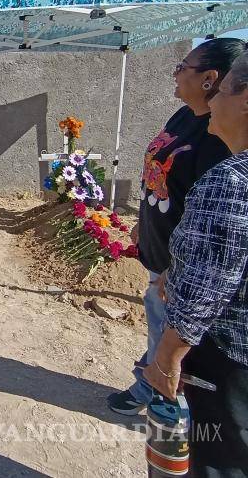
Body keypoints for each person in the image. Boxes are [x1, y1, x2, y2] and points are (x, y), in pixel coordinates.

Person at [107, 38, 245, 415]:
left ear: (209, 78)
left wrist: (177, 269)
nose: (175, 72)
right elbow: (161, 177)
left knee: (170, 336)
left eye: (183, 66)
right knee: (158, 328)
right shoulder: (185, 116)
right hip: (159, 250)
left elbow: (215, 231)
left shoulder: (219, 142)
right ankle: (147, 386)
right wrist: (142, 219)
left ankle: (164, 404)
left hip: (177, 269)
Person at [144, 48, 248, 477]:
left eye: (222, 91)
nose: (214, 105)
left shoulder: (230, 180)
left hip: (224, 355)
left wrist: (167, 359)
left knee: (214, 457)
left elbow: (209, 286)